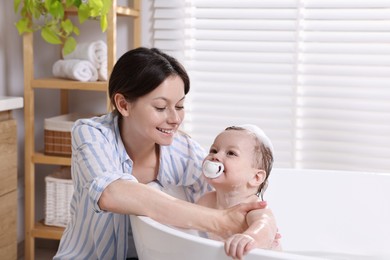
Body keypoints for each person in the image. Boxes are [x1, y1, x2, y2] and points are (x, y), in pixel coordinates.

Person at [54, 47, 277, 259]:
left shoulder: (187, 154)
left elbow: (233, 195)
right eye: (161, 107)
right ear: (123, 105)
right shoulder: (91, 135)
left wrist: (256, 231)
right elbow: (112, 193)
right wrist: (221, 221)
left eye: (179, 106)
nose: (174, 119)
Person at [197, 124, 281, 259]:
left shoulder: (254, 208)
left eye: (231, 153)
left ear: (256, 177)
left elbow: (266, 225)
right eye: (213, 150)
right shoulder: (206, 201)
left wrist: (250, 237)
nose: (216, 156)